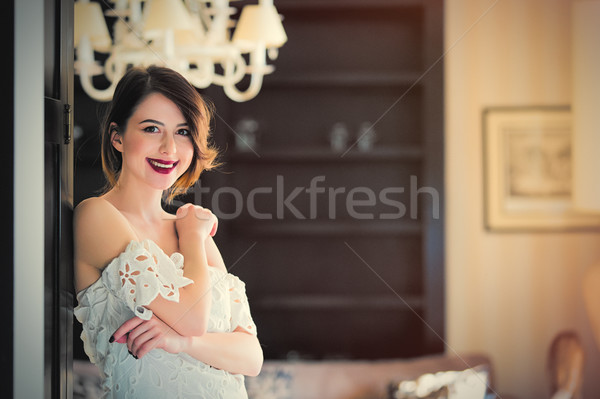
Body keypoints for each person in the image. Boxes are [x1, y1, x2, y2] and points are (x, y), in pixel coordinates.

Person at [74, 65, 263, 398]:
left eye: (183, 131)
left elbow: (251, 356)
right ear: (117, 137)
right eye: (151, 128)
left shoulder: (188, 224)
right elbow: (193, 319)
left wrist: (182, 342)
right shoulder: (97, 215)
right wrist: (191, 238)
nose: (169, 148)